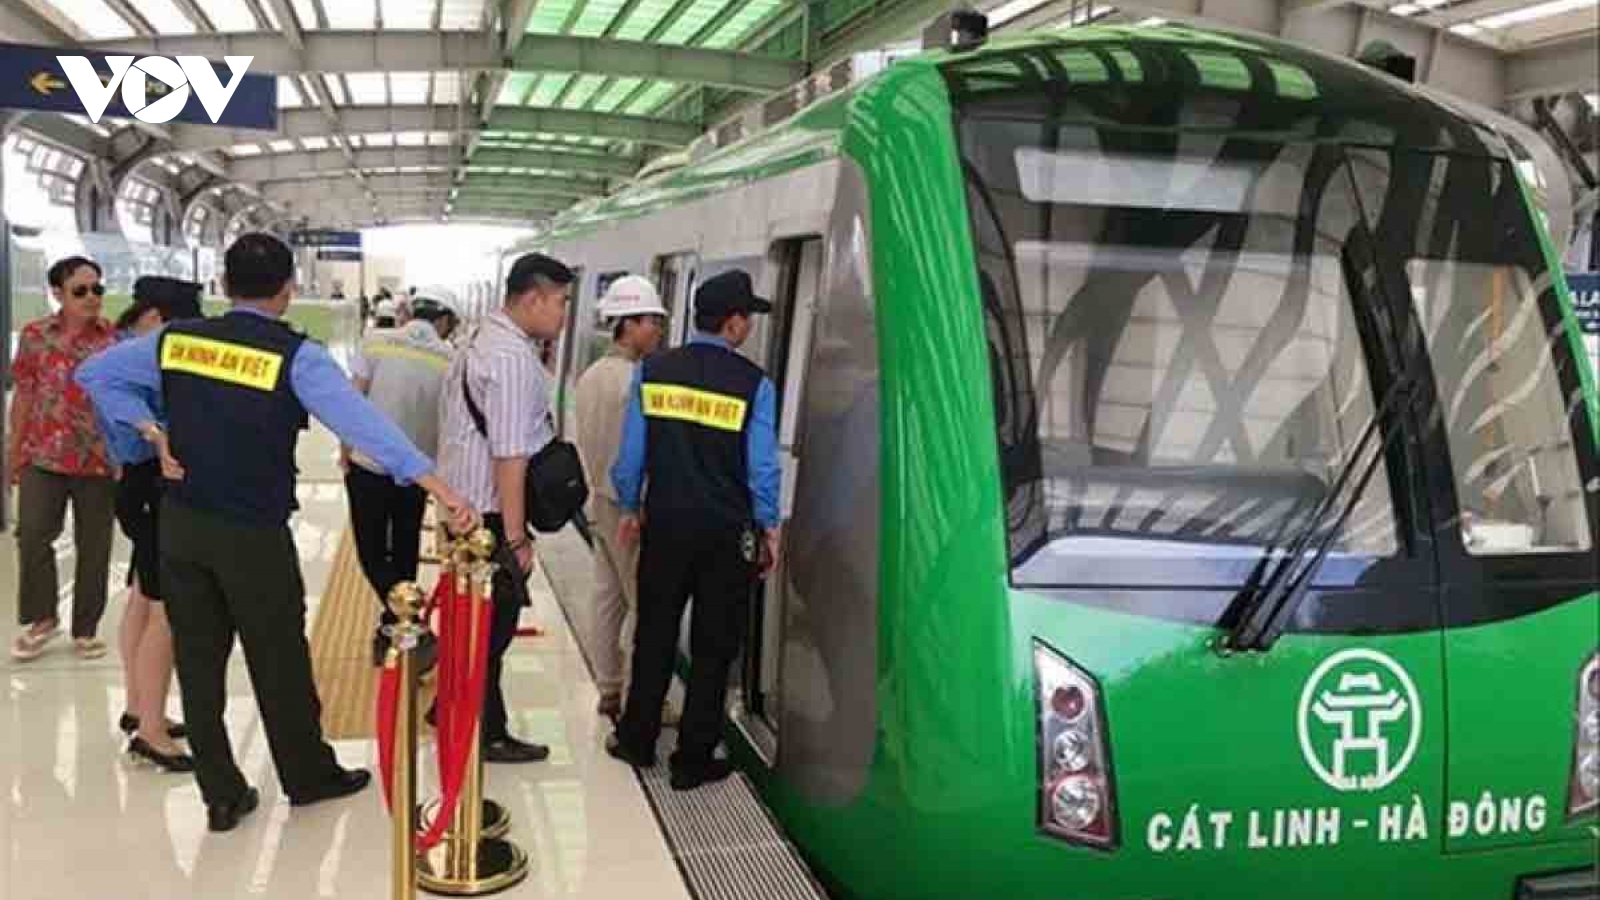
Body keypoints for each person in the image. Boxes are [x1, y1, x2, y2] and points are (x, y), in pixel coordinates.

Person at [77, 234, 478, 833]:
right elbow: (360, 421)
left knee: (199, 656)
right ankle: (307, 775)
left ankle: (221, 792)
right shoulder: (297, 356)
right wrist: (436, 484)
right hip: (252, 533)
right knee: (279, 657)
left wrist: (150, 434)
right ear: (288, 289)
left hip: (183, 525)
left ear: (224, 283)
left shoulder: (176, 340)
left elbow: (95, 375)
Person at [606, 269, 781, 791]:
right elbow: (762, 468)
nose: (747, 325)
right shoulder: (755, 384)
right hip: (725, 536)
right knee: (712, 647)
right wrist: (769, 525)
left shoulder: (654, 371)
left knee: (655, 634)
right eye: (746, 317)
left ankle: (637, 740)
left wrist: (631, 504)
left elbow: (631, 454)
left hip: (665, 526)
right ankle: (692, 759)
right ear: (731, 324)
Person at [437, 253, 574, 764]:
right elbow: (509, 456)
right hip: (490, 519)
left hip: (462, 508)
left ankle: (453, 707)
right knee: (491, 630)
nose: (563, 314)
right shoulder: (514, 359)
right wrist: (516, 539)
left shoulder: (476, 337)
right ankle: (487, 732)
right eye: (561, 302)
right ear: (534, 297)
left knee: (471, 621)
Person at [101, 277, 205, 774]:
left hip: (138, 486)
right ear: (153, 317)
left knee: (144, 596)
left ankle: (141, 706)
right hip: (148, 485)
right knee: (165, 610)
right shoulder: (132, 362)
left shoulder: (127, 351)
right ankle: (153, 733)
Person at [9, 256, 118, 662]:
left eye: (97, 289)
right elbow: (24, 395)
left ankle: (85, 627)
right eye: (80, 291)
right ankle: (42, 619)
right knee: (33, 536)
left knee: (95, 546)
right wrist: (13, 450)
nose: (92, 298)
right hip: (43, 455)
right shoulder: (36, 337)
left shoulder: (113, 339)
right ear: (58, 293)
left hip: (98, 460)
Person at [343, 289, 459, 665]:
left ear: (410, 311)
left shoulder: (375, 342)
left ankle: (405, 623)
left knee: (371, 550)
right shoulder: (450, 358)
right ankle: (401, 624)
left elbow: (352, 400)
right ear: (445, 321)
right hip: (417, 473)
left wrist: (345, 449)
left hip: (368, 464)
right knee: (405, 546)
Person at [573, 276, 667, 717]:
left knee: (606, 597)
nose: (659, 332)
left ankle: (609, 688)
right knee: (641, 604)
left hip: (596, 499)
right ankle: (636, 698)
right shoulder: (635, 381)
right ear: (628, 324)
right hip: (628, 505)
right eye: (652, 321)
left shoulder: (591, 375)